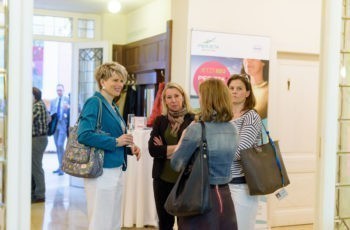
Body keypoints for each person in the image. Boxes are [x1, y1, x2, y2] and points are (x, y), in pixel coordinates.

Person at [77, 62, 141, 230]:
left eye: (122, 80)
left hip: (115, 168)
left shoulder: (112, 105)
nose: (120, 84)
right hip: (101, 170)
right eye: (115, 80)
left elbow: (114, 135)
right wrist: (115, 142)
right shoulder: (94, 102)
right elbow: (84, 135)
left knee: (112, 220)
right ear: (102, 81)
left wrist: (129, 147)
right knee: (100, 220)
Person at [170, 78, 239, 229]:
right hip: (225, 196)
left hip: (200, 196)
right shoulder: (233, 129)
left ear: (206, 99)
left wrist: (182, 139)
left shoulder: (197, 129)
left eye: (200, 95)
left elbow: (176, 164)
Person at [148, 82, 195, 230]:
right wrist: (180, 149)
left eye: (176, 96)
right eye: (169, 97)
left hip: (185, 179)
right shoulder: (160, 121)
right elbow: (153, 150)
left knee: (185, 223)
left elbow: (193, 150)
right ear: (165, 100)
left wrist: (166, 149)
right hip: (162, 179)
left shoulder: (193, 120)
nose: (173, 100)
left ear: (183, 97)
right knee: (164, 222)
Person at [227, 74, 262, 230]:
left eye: (239, 88)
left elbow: (240, 151)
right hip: (222, 183)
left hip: (241, 185)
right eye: (231, 88)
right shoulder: (224, 116)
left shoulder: (251, 117)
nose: (234, 91)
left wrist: (216, 153)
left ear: (247, 93)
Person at [32, 87, 49, 203]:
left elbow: (25, 119)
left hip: (37, 139)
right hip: (39, 139)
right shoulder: (40, 104)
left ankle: (40, 194)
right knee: (34, 166)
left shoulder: (37, 106)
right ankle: (35, 192)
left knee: (36, 167)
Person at [50, 84, 70, 176]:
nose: (59, 92)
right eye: (58, 90)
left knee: (60, 144)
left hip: (63, 125)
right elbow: (51, 113)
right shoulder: (53, 101)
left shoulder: (67, 100)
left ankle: (63, 166)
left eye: (60, 90)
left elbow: (74, 110)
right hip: (55, 126)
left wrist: (68, 108)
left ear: (63, 90)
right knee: (57, 147)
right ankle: (60, 166)